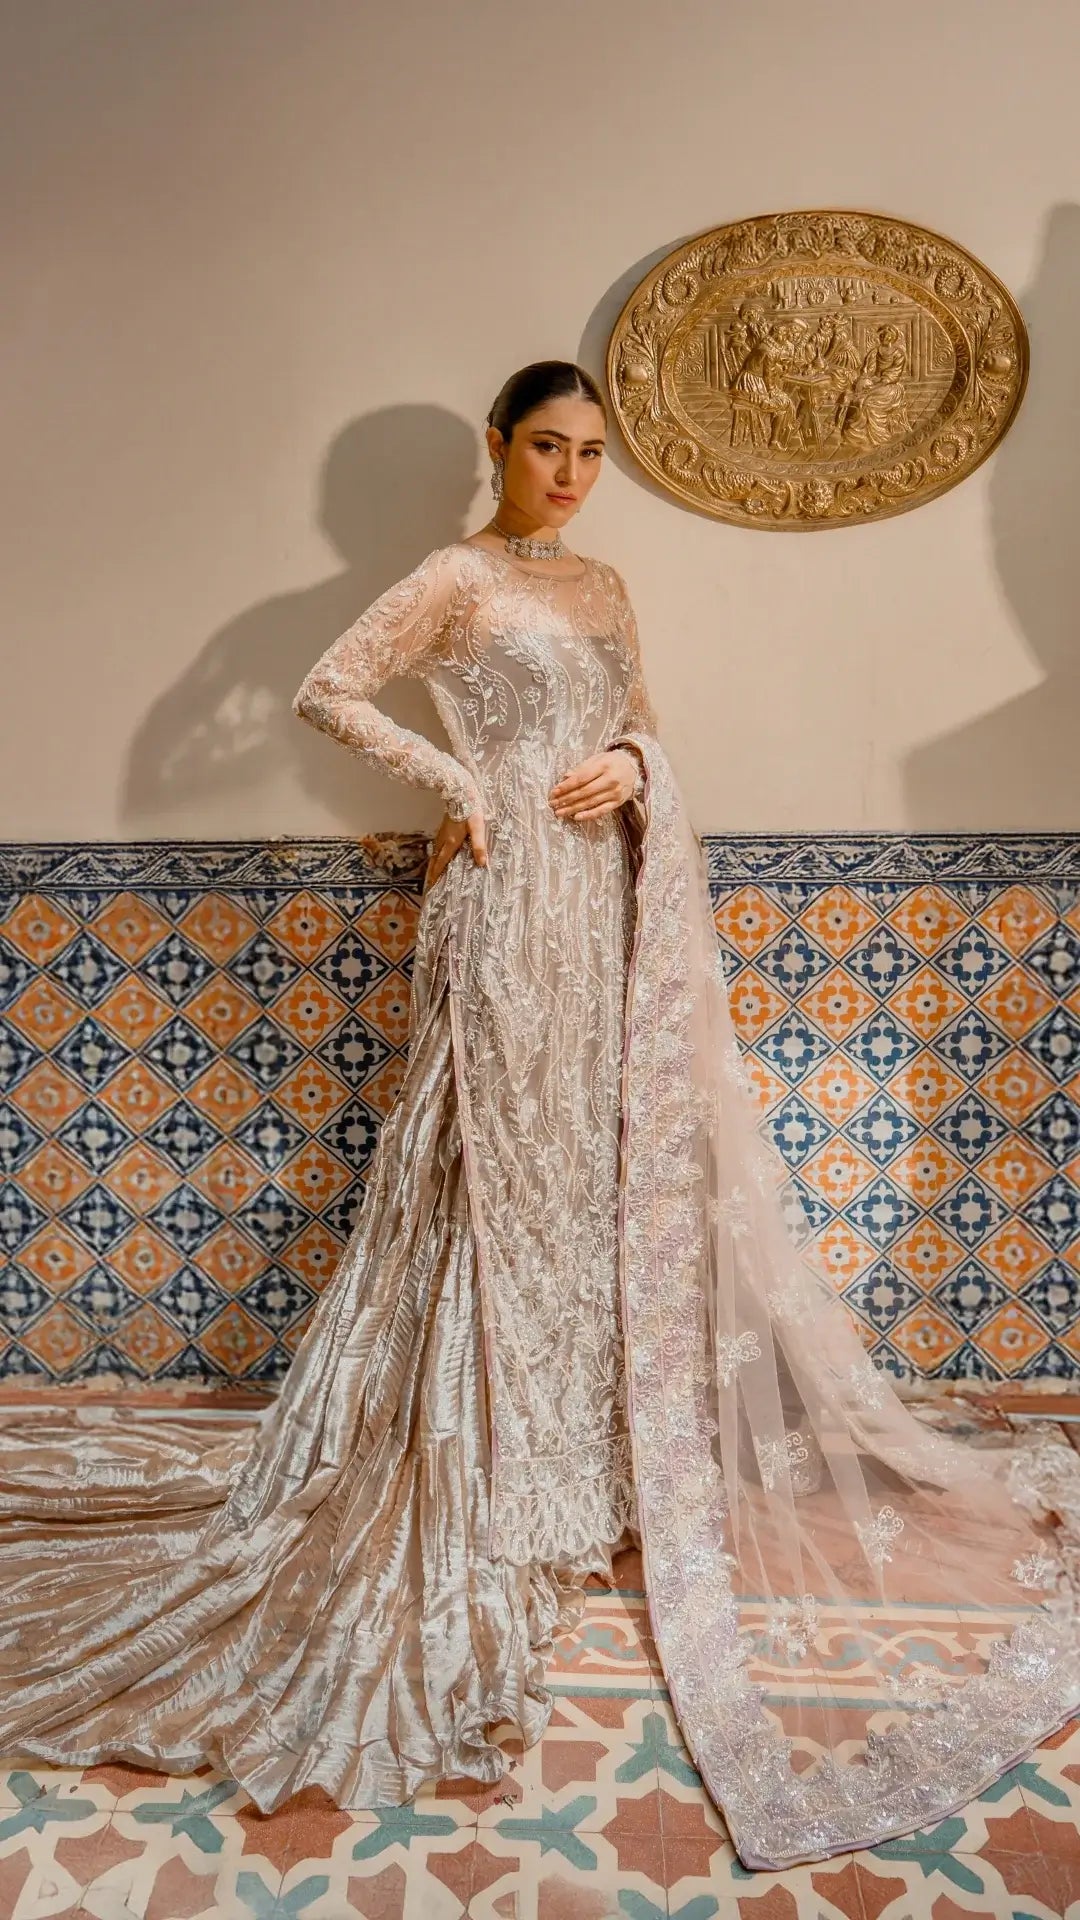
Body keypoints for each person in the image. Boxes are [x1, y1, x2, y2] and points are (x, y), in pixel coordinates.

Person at [0, 359, 1078, 1872]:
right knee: (497, 1171)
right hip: (501, 911)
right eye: (547, 447)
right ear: (495, 446)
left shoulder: (608, 580)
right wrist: (469, 784)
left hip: (605, 912)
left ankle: (589, 1457)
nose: (570, 474)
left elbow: (647, 725)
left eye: (590, 453)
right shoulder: (450, 577)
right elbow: (323, 690)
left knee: (595, 1171)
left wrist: (636, 765)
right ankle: (503, 1466)